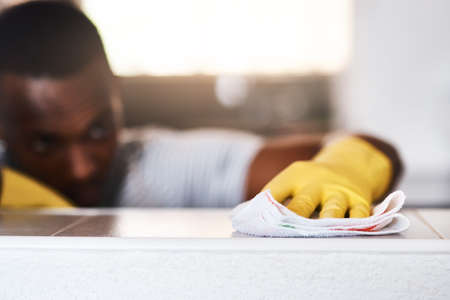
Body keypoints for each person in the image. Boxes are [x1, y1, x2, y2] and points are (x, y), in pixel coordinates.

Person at [0, 1, 402, 217]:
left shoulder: (157, 165)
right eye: (44, 143)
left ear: (117, 96)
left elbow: (369, 147)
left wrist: (344, 166)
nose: (82, 166)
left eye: (99, 130)